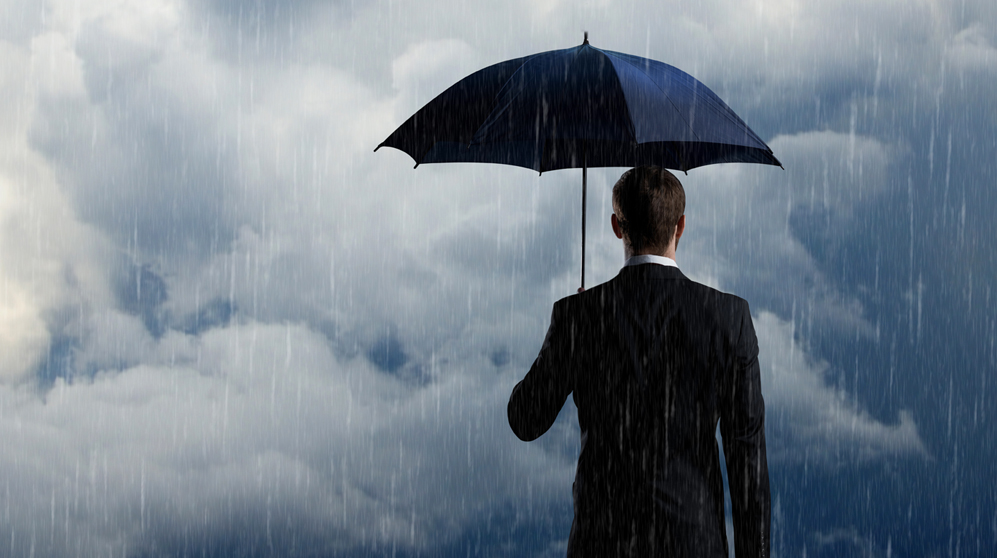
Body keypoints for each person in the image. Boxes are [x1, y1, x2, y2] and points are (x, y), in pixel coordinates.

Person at [507, 166, 769, 558]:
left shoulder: (579, 316)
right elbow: (747, 461)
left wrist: (567, 336)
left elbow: (525, 420)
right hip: (692, 543)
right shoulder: (729, 317)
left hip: (601, 543)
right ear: (680, 226)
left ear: (617, 226)